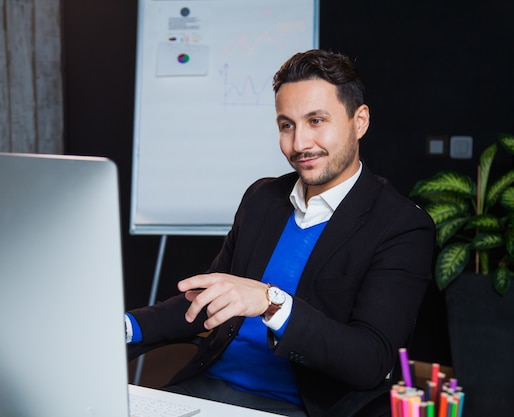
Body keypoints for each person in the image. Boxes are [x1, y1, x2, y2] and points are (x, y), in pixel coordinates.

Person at [125, 49, 435, 417]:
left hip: (297, 407)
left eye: (316, 121)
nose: (300, 143)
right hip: (204, 390)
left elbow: (370, 358)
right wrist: (125, 327)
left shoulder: (401, 226)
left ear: (360, 121)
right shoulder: (263, 198)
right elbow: (207, 301)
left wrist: (271, 302)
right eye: (286, 125)